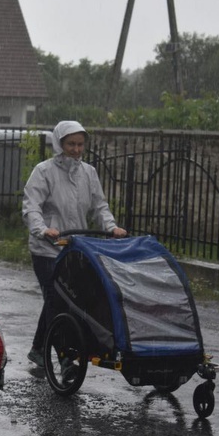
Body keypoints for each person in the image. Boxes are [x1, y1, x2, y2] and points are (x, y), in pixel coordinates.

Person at [22, 120, 127, 368]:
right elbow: (31, 207)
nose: (76, 149)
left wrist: (110, 227)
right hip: (47, 248)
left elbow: (100, 206)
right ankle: (65, 357)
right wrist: (43, 229)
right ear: (60, 144)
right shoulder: (44, 171)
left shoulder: (88, 173)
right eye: (71, 144)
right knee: (57, 299)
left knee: (63, 298)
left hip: (74, 248)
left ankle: (38, 347)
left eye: (80, 144)